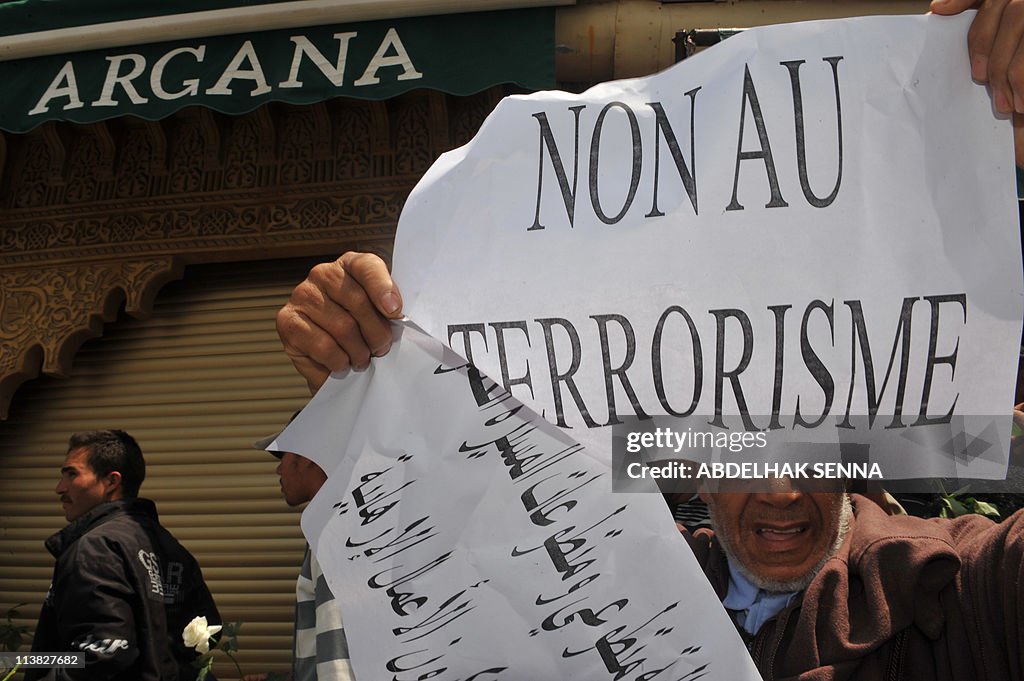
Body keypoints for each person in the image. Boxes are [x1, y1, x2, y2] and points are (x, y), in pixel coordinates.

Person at [27, 430, 220, 681]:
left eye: (71, 474)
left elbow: (104, 650)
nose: (59, 488)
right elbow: (208, 631)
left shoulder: (96, 547)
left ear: (111, 482)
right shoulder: (168, 546)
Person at [241, 433, 354, 681]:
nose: (278, 469)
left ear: (308, 458)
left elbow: (337, 658)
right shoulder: (342, 519)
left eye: (283, 456)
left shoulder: (331, 530)